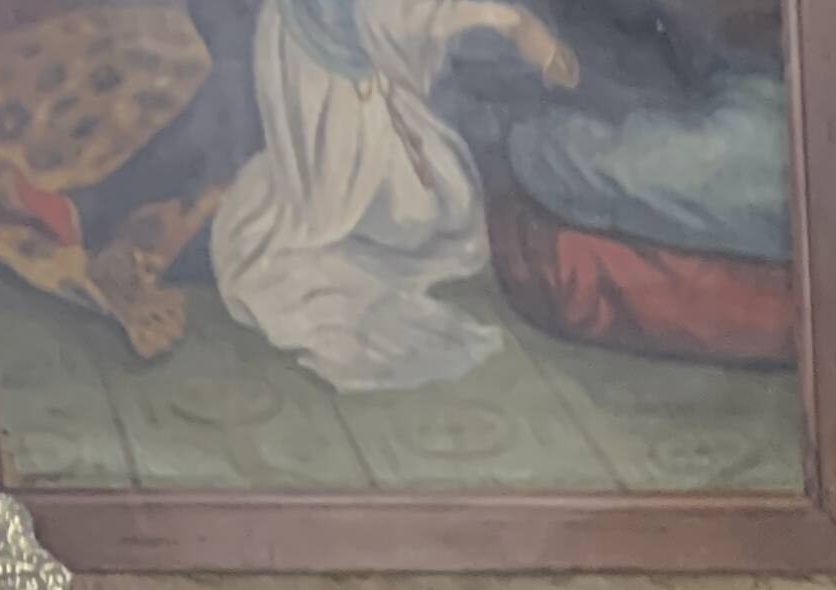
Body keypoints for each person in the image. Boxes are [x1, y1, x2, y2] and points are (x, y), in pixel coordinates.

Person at [212, 0, 577, 398]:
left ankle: (331, 196)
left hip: (348, 61)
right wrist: (515, 25)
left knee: (443, 207)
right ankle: (291, 203)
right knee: (376, 215)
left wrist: (517, 28)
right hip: (318, 75)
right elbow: (407, 15)